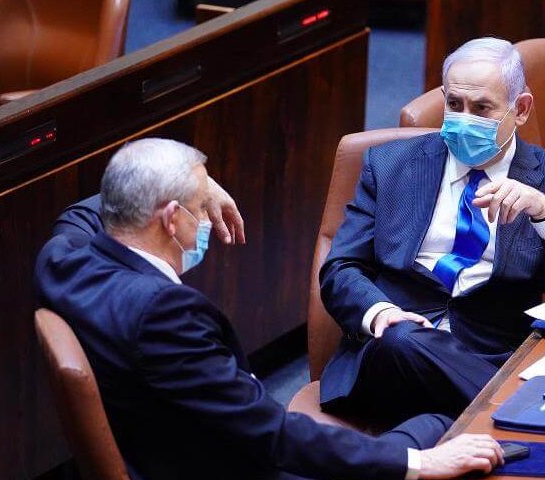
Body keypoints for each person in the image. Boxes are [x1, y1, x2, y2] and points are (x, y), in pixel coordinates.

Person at [34, 138, 505, 480]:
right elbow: (270, 434)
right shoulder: (165, 314)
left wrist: (192, 184)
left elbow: (81, 212)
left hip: (169, 445)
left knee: (438, 424)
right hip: (241, 467)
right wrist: (417, 463)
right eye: (200, 206)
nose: (206, 217)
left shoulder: (63, 260)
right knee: (443, 438)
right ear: (171, 217)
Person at [319, 38, 545, 423]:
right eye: (455, 104)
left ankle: (440, 431)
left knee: (432, 428)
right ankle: (515, 410)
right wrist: (380, 313)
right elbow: (341, 267)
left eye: (481, 108)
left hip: (489, 355)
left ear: (521, 109)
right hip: (390, 354)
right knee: (401, 340)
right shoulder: (390, 165)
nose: (464, 118)